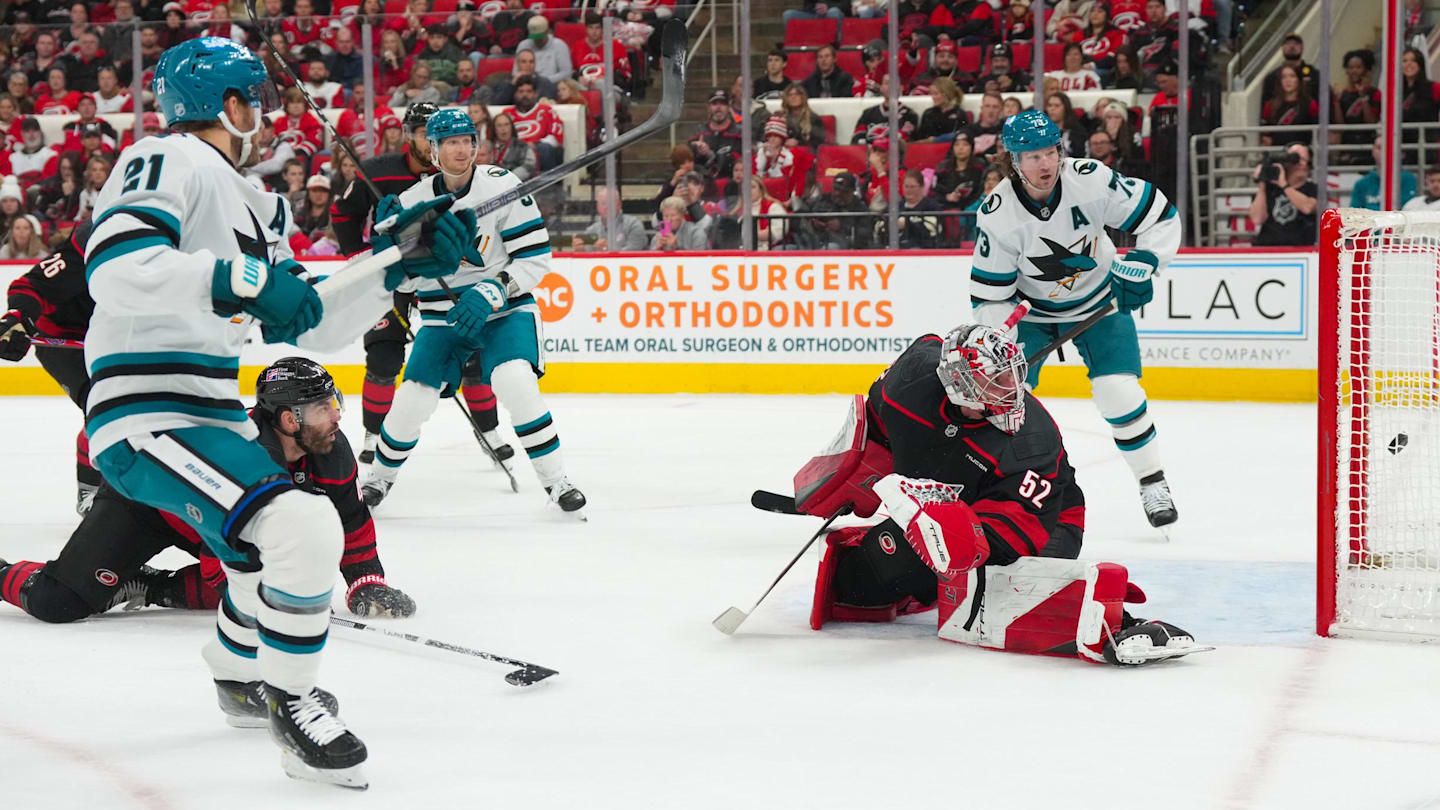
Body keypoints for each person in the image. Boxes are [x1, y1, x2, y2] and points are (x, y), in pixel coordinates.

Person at [79, 38, 473, 787]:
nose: (263, 108)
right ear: (230, 105)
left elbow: (313, 322)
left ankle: (236, 674)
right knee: (303, 523)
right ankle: (291, 702)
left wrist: (397, 261)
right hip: (144, 408)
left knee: (261, 556)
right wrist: (244, 277)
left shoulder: (257, 201)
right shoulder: (164, 158)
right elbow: (120, 267)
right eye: (254, 95)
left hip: (210, 410)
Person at [794, 322, 1203, 665]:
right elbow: (881, 421)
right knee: (859, 588)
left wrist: (949, 538)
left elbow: (1008, 538)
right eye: (995, 381)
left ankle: (1116, 620)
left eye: (1011, 376)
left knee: (989, 581)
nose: (1011, 391)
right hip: (953, 496)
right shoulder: (910, 381)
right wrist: (857, 477)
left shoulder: (1032, 441)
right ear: (957, 383)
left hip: (1046, 519)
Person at [0, 358, 417, 624]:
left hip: (206, 524)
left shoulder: (328, 445)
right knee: (59, 603)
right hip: (142, 507)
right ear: (289, 420)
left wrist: (365, 581)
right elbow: (224, 549)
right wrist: (270, 599)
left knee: (256, 573)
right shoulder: (244, 453)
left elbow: (350, 518)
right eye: (323, 408)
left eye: (334, 403)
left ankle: (148, 586)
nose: (336, 416)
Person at [361, 108, 587, 514]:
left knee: (515, 380)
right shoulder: (413, 203)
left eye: (467, 140)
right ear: (432, 149)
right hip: (443, 317)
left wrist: (491, 292)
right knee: (412, 398)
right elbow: (404, 283)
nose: (462, 149)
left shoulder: (502, 186)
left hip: (504, 310)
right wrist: (392, 247)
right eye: (451, 142)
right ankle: (378, 479)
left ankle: (557, 482)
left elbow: (534, 260)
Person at [969, 110, 1181, 530]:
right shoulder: (998, 213)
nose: (1045, 164)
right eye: (1032, 157)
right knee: (1005, 406)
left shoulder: (1091, 179)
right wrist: (1000, 342)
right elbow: (992, 294)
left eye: (1050, 152)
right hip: (1032, 316)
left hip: (1100, 301)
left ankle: (1151, 480)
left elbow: (1160, 216)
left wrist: (1145, 261)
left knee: (1117, 392)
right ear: (1013, 160)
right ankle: (996, 491)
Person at [330, 103, 510, 468]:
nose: (431, 144)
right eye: (421, 133)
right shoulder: (377, 172)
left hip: (447, 274)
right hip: (394, 276)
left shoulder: (462, 175)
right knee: (383, 357)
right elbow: (342, 213)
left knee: (472, 356)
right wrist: (357, 256)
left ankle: (488, 431)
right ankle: (374, 435)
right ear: (410, 135)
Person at [0, 222, 99, 513]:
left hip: (113, 337)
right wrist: (18, 317)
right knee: (102, 404)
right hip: (64, 337)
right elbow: (31, 285)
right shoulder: (89, 245)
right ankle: (90, 491)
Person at [1247, 141, 1317, 247]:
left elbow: (1307, 207)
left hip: (1299, 250)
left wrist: (1283, 184)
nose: (1299, 163)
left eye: (1303, 160)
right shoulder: (1270, 188)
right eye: (1295, 158)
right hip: (1268, 248)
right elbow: (1257, 219)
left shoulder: (1312, 189)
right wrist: (1262, 183)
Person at [1332, 49, 1380, 166]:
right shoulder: (1342, 94)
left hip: (1367, 145)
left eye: (1358, 67)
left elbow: (1371, 122)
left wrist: (1363, 96)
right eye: (1350, 67)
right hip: (1347, 146)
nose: (1354, 71)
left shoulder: (1374, 93)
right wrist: (1337, 102)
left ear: (1365, 69)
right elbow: (1340, 126)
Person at [506, 75, 565, 169]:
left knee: (545, 148)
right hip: (513, 154)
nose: (524, 95)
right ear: (515, 94)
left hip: (539, 151)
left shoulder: (547, 111)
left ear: (535, 94)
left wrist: (533, 144)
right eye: (521, 91)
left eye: (529, 91)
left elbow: (555, 139)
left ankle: (548, 183)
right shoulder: (507, 114)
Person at [803, 170, 871, 250]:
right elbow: (805, 211)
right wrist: (813, 223)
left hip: (845, 248)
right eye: (835, 189)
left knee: (832, 247)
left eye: (842, 191)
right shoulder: (823, 199)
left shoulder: (860, 208)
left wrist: (842, 226)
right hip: (815, 242)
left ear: (852, 191)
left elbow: (866, 234)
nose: (837, 194)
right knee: (789, 247)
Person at [574, 185, 648, 251]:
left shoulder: (633, 225)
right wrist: (581, 249)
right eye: (603, 203)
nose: (607, 207)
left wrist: (607, 248)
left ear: (619, 204)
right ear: (597, 206)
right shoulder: (592, 230)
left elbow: (634, 253)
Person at [1351, 137, 1417, 210]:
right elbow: (1354, 214)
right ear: (1373, 151)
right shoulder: (1361, 184)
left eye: (1388, 147)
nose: (1384, 151)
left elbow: (1409, 210)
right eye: (1379, 148)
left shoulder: (1409, 180)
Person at [1260, 64, 1319, 146]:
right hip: (1276, 152)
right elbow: (1265, 133)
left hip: (1302, 152)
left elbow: (1316, 132)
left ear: (1299, 80)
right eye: (1284, 77)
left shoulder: (1310, 104)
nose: (1288, 80)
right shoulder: (1270, 105)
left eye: (1292, 76)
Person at [689, 88, 741, 179]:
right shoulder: (698, 132)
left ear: (729, 107)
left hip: (730, 183)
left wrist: (711, 155)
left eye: (723, 104)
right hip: (703, 183)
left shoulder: (739, 133)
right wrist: (694, 149)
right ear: (709, 108)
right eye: (714, 104)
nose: (718, 108)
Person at [1260, 33, 1319, 102]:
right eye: (1288, 43)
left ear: (1302, 47)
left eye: (1296, 43)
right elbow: (1266, 107)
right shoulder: (1272, 77)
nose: (1292, 46)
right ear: (1282, 48)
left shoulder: (1314, 74)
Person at [515, 14, 572, 84]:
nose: (537, 40)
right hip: (527, 85)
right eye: (534, 37)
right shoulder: (523, 45)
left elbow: (566, 73)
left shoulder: (560, 45)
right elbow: (515, 72)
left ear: (547, 31)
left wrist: (541, 81)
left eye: (539, 37)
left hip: (553, 85)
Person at [916, 77, 969, 142]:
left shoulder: (959, 114)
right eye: (931, 93)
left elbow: (962, 136)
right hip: (929, 149)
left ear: (947, 94)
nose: (933, 97)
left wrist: (935, 140)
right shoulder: (928, 113)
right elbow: (920, 138)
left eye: (936, 93)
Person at [492, 110, 539, 179]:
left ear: (512, 127)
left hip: (515, 184)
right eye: (499, 125)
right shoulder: (488, 146)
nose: (503, 129)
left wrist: (508, 178)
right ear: (494, 129)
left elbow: (529, 167)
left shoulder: (523, 147)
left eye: (506, 124)